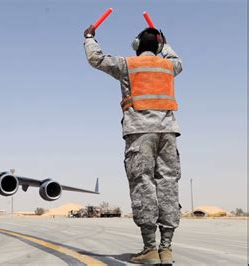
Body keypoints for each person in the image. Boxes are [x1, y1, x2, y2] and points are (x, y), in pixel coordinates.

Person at [83, 25, 182, 264]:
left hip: (139, 133)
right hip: (168, 133)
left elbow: (96, 58)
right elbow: (176, 59)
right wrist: (165, 44)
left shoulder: (128, 64)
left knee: (143, 185)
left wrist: (89, 38)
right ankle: (166, 248)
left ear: (136, 46)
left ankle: (149, 249)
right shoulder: (170, 65)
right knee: (168, 185)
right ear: (159, 46)